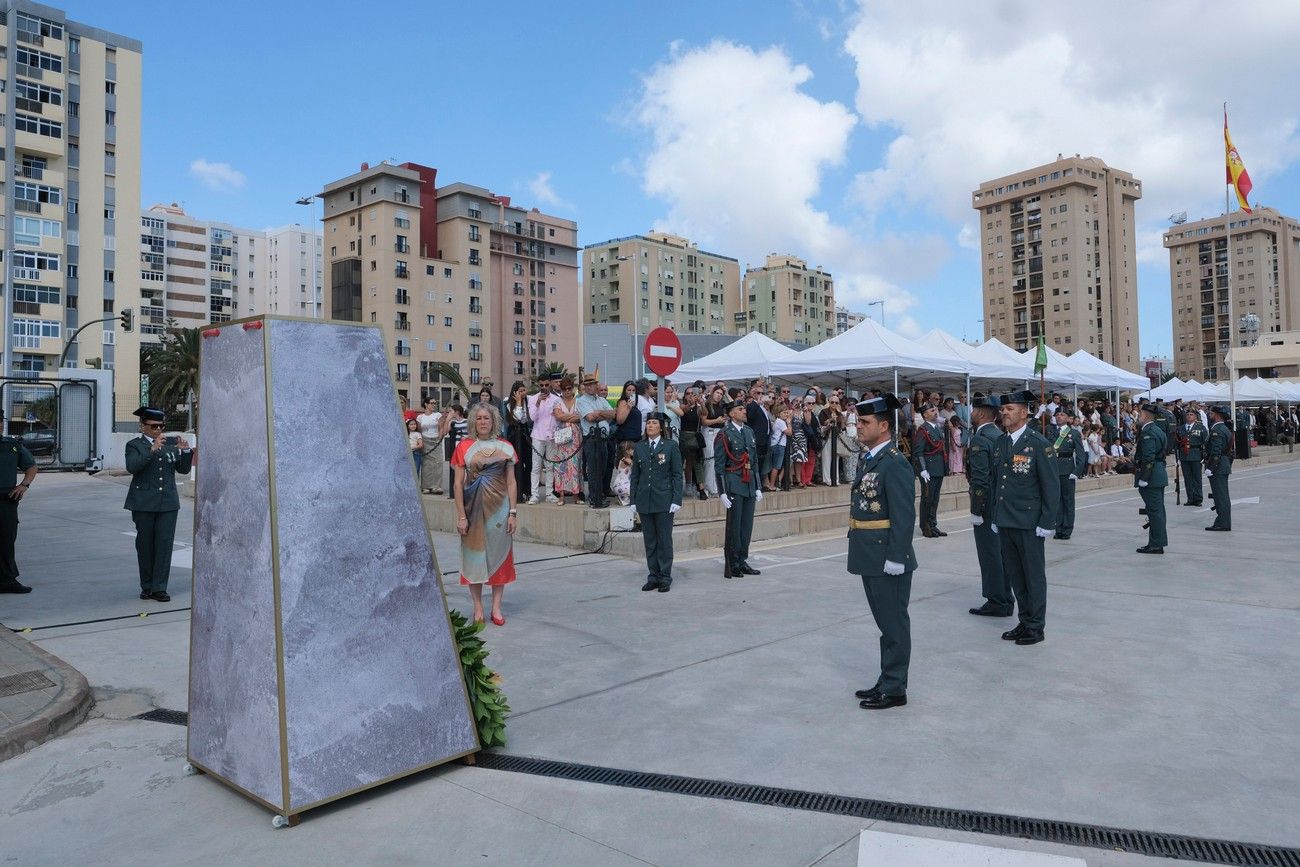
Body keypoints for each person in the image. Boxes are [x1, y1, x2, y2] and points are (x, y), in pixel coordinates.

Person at [847, 393, 917, 711]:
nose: (858, 427)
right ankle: (887, 679)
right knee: (885, 623)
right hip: (869, 554)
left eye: (865, 422)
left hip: (887, 556)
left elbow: (904, 515)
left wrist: (896, 556)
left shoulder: (895, 463)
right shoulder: (870, 459)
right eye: (858, 421)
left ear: (884, 425)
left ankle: (895, 688)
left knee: (894, 624)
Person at [991, 391, 1059, 646]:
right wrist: (996, 516)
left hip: (1030, 523)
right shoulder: (1001, 442)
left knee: (1032, 576)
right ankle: (1024, 619)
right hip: (1007, 519)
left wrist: (1047, 522)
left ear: (1023, 412)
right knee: (1016, 576)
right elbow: (999, 481)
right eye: (1002, 409)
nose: (1004, 413)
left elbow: (1051, 486)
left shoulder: (1038, 443)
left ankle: (1036, 625)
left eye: (1009, 408)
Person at [452, 403, 519, 626]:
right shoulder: (463, 447)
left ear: (493, 421)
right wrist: (461, 516)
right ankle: (478, 607)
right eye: (479, 418)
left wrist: (513, 512)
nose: (482, 422)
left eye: (486, 418)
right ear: (473, 421)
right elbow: (457, 484)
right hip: (473, 510)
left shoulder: (506, 447)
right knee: (475, 559)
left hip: (500, 511)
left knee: (500, 558)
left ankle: (497, 608)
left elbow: (511, 482)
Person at [124, 406, 193, 603]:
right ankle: (147, 586)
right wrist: (151, 449)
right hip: (143, 503)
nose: (158, 430)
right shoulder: (134, 445)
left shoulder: (168, 445)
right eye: (154, 426)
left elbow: (183, 469)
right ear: (142, 426)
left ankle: (159, 588)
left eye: (161, 426)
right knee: (145, 546)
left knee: (164, 546)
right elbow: (132, 467)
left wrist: (186, 451)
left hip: (168, 504)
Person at [630, 412, 684, 592]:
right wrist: (633, 499)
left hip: (664, 500)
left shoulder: (670, 446)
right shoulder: (640, 447)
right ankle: (653, 575)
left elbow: (677, 474)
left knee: (664, 541)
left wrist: (677, 498)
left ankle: (665, 576)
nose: (650, 426)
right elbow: (635, 476)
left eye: (654, 423)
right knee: (650, 541)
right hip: (645, 500)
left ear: (661, 427)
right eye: (648, 423)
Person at [966, 396, 1010, 617]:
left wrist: (976, 509)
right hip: (1002, 503)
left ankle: (997, 601)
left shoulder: (980, 439)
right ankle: (1006, 597)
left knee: (989, 553)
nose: (971, 414)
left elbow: (980, 479)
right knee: (1001, 553)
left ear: (981, 414)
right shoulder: (1001, 436)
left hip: (987, 505)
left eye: (974, 410)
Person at [717, 399, 763, 578]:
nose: (744, 411)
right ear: (731, 413)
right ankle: (733, 561)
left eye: (744, 408)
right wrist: (722, 492)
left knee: (746, 526)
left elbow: (755, 461)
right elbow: (719, 465)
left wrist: (758, 486)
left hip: (749, 483)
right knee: (734, 527)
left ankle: (742, 559)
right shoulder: (724, 434)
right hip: (734, 483)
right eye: (740, 409)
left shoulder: (749, 431)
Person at [0, 414, 37, 594]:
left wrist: (24, 485)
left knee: (7, 541)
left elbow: (31, 466)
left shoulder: (11, 446)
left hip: (6, 501)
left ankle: (8, 580)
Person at [1133, 403, 1169, 554]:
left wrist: (1144, 477)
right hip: (1158, 473)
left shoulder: (1148, 432)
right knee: (1157, 510)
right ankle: (1156, 542)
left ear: (1146, 416)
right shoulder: (1158, 430)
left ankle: (1156, 544)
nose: (1138, 416)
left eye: (1140, 414)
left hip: (1151, 476)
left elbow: (1149, 457)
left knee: (1154, 511)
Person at [576, 372, 614, 509]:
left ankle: (599, 495)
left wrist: (598, 413)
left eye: (594, 384)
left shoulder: (600, 399)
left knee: (602, 468)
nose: (594, 386)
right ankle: (594, 497)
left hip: (603, 438)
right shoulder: (581, 401)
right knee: (593, 469)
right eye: (591, 384)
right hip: (591, 438)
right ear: (586, 387)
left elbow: (613, 414)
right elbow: (590, 418)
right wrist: (601, 414)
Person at [1049, 406, 1087, 541]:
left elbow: (1081, 456)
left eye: (1062, 415)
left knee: (1068, 501)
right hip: (1053, 470)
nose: (1059, 417)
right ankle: (1058, 528)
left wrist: (1076, 471)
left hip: (1067, 470)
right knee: (1056, 501)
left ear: (1068, 418)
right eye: (1057, 414)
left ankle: (1067, 530)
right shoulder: (1050, 431)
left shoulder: (1074, 433)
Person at [911, 403, 948, 538]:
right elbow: (918, 451)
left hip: (938, 468)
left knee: (935, 499)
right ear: (925, 414)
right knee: (927, 498)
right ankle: (925, 526)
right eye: (932, 410)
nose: (936, 412)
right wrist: (923, 469)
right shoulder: (923, 430)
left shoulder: (937, 428)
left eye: (936, 410)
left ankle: (933, 525)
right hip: (928, 469)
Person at [527, 372, 562, 505]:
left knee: (550, 466)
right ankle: (534, 494)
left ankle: (549, 493)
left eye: (547, 384)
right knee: (536, 467)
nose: (544, 387)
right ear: (538, 384)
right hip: (538, 436)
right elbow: (532, 417)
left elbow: (559, 418)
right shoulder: (533, 398)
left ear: (550, 384)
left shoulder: (556, 399)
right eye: (541, 385)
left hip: (552, 436)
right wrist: (537, 402)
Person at [549, 377, 583, 505]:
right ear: (561, 390)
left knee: (575, 465)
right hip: (562, 436)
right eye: (564, 389)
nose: (567, 391)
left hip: (575, 437)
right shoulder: (557, 401)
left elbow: (580, 417)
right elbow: (558, 416)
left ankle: (576, 495)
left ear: (572, 388)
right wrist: (572, 417)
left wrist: (566, 417)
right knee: (561, 466)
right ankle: (561, 496)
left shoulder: (578, 401)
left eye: (569, 388)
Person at [1205, 405, 1234, 532]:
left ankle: (1223, 523)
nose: (1209, 415)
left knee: (1220, 496)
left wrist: (1211, 467)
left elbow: (1216, 451)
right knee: (1221, 496)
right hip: (1222, 464)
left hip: (1218, 467)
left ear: (1216, 415)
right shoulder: (1223, 428)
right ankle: (1222, 521)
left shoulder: (1218, 430)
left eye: (1211, 413)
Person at [505, 381, 533, 503]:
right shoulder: (508, 403)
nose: (522, 393)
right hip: (514, 434)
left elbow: (526, 419)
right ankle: (518, 491)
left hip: (525, 434)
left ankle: (528, 490)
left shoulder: (529, 401)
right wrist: (518, 402)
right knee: (517, 464)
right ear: (515, 392)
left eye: (523, 391)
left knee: (529, 463)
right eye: (519, 391)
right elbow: (518, 418)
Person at [678, 388, 708, 500]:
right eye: (688, 394)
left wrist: (702, 402)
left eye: (693, 393)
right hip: (683, 436)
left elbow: (705, 414)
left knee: (697, 462)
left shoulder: (698, 407)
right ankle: (683, 486)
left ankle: (701, 488)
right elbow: (683, 412)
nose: (691, 395)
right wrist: (690, 403)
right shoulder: (681, 406)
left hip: (694, 436)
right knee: (681, 462)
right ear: (684, 395)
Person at [1177, 408, 1207, 507]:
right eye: (1188, 414)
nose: (1189, 416)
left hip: (1196, 455)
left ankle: (1198, 499)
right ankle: (1190, 498)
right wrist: (1177, 458)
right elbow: (1176, 444)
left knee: (1197, 478)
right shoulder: (1180, 428)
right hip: (1184, 456)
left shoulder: (1201, 427)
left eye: (1191, 414)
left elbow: (1206, 442)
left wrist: (1204, 456)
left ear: (1195, 417)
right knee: (1187, 479)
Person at [745, 379, 772, 485]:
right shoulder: (752, 404)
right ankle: (754, 484)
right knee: (755, 463)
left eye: (762, 393)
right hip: (756, 439)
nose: (761, 395)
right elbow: (749, 417)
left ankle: (758, 484)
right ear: (753, 394)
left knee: (761, 463)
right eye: (758, 393)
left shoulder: (762, 407)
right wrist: (757, 403)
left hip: (764, 439)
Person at [416, 397, 444, 494]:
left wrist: (439, 439)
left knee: (438, 462)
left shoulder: (437, 415)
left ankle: (437, 486)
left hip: (436, 440)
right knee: (427, 464)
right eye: (432, 403)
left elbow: (441, 428)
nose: (434, 405)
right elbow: (419, 431)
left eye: (435, 403)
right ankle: (426, 486)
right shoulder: (420, 417)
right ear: (426, 404)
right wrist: (420, 441)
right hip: (425, 440)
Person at [767, 405, 790, 492]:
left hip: (776, 445)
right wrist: (789, 423)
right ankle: (772, 485)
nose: (786, 414)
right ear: (778, 413)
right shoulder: (781, 422)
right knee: (776, 466)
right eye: (784, 412)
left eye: (787, 412)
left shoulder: (778, 421)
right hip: (779, 446)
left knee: (777, 465)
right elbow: (789, 432)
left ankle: (774, 482)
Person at [611, 441, 634, 506]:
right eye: (633, 449)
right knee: (637, 491)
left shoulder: (622, 459)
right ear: (627, 451)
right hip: (622, 485)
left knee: (629, 502)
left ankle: (622, 499)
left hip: (620, 484)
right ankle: (622, 498)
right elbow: (636, 467)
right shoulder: (627, 460)